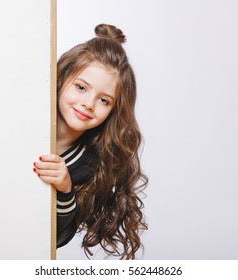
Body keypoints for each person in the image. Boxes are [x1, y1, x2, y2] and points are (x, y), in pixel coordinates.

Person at [33, 23, 148, 260]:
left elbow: (54, 240)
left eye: (104, 100)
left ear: (114, 110)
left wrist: (65, 191)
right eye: (81, 87)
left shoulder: (90, 165)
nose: (88, 103)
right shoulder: (24, 120)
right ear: (62, 78)